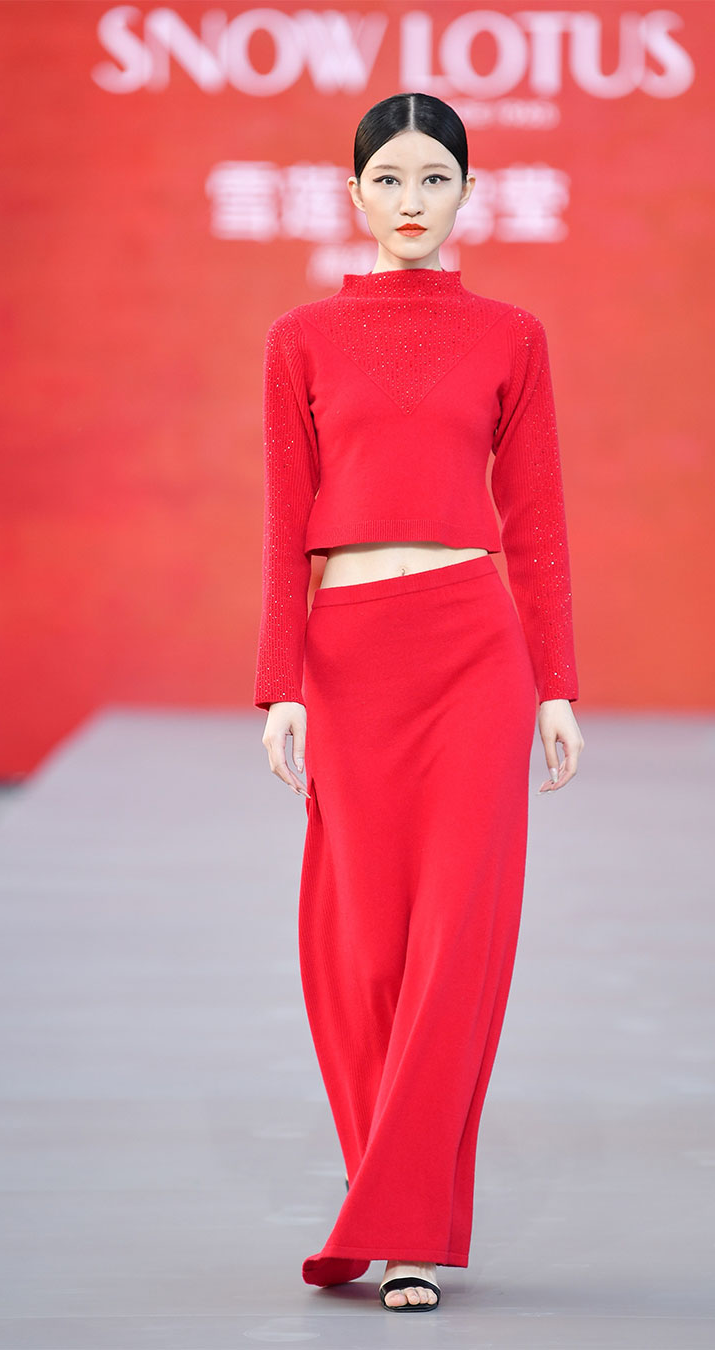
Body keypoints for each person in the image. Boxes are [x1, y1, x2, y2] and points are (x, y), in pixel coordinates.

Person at [255, 91, 584, 1312]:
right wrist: (279, 685)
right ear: (353, 194)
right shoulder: (300, 338)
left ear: (468, 195)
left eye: (433, 179)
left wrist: (555, 684)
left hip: (472, 657)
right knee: (358, 948)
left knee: (458, 943)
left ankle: (405, 1233)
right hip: (348, 660)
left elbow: (536, 524)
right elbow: (284, 524)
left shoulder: (513, 336)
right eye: (387, 179)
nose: (409, 200)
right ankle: (385, 1180)